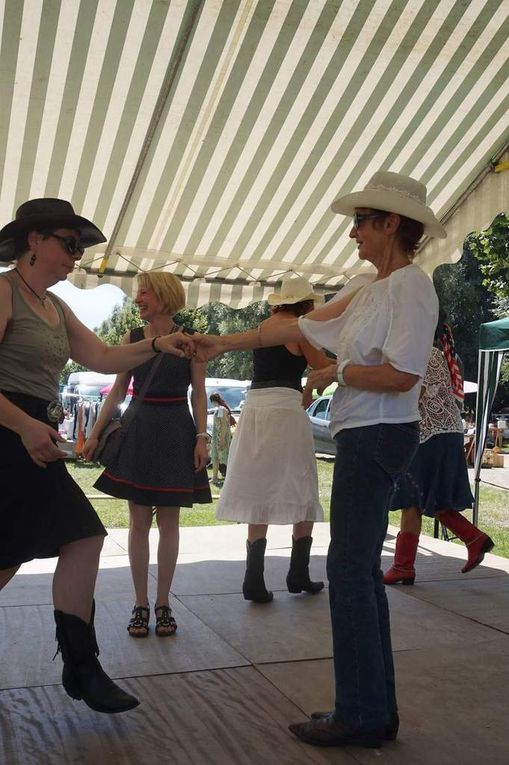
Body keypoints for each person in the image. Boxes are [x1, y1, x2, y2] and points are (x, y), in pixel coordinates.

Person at [194, 171, 443, 748]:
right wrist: (221, 343)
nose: (353, 231)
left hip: (378, 435)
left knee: (350, 572)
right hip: (366, 434)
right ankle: (372, 709)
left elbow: (403, 374)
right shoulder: (372, 286)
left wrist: (339, 372)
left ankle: (361, 713)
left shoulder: (409, 285)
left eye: (362, 221)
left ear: (390, 224)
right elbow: (299, 324)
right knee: (356, 573)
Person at [0, 198, 193, 714]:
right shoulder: (3, 290)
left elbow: (105, 358)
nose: (76, 257)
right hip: (8, 432)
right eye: (69, 244)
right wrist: (22, 426)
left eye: (80, 248)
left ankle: (83, 669)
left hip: (28, 434)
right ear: (34, 241)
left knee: (70, 539)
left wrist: (160, 344)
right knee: (47, 544)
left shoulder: (54, 306)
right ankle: (83, 671)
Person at [83, 272, 211, 638]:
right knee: (139, 523)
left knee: (169, 523)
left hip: (175, 429)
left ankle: (163, 603)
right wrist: (94, 434)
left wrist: (201, 437)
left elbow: (198, 393)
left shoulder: (190, 339)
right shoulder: (132, 338)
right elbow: (118, 389)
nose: (137, 299)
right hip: (140, 428)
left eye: (144, 293)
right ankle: (141, 604)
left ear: (164, 296)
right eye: (137, 293)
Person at [214, 275, 332, 603]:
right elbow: (322, 366)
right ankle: (298, 572)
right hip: (284, 407)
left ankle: (253, 578)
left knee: (259, 486)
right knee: (301, 482)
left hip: (255, 406)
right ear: (306, 304)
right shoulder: (299, 328)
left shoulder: (263, 328)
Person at [384, 317, 494, 585]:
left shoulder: (423, 354)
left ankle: (404, 565)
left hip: (429, 435)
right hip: (443, 434)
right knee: (430, 496)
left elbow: (415, 394)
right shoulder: (440, 355)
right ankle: (471, 539)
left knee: (412, 496)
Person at [209, 392, 234, 485]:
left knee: (221, 457)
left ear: (213, 401)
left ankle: (220, 477)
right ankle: (215, 477)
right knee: (216, 457)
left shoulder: (221, 409)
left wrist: (222, 439)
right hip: (218, 436)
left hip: (220, 437)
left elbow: (223, 425)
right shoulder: (221, 409)